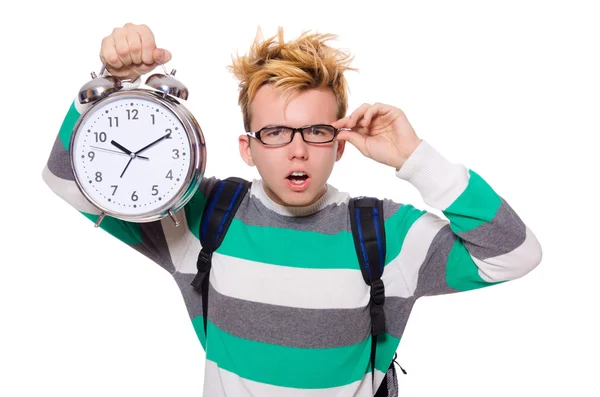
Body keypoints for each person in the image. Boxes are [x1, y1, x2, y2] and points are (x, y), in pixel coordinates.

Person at [42, 23, 543, 397]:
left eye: (316, 132)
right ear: (247, 147)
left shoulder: (385, 233)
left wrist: (416, 160)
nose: (297, 150)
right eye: (276, 133)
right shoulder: (199, 218)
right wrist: (109, 83)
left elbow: (515, 255)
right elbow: (66, 180)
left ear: (339, 144)